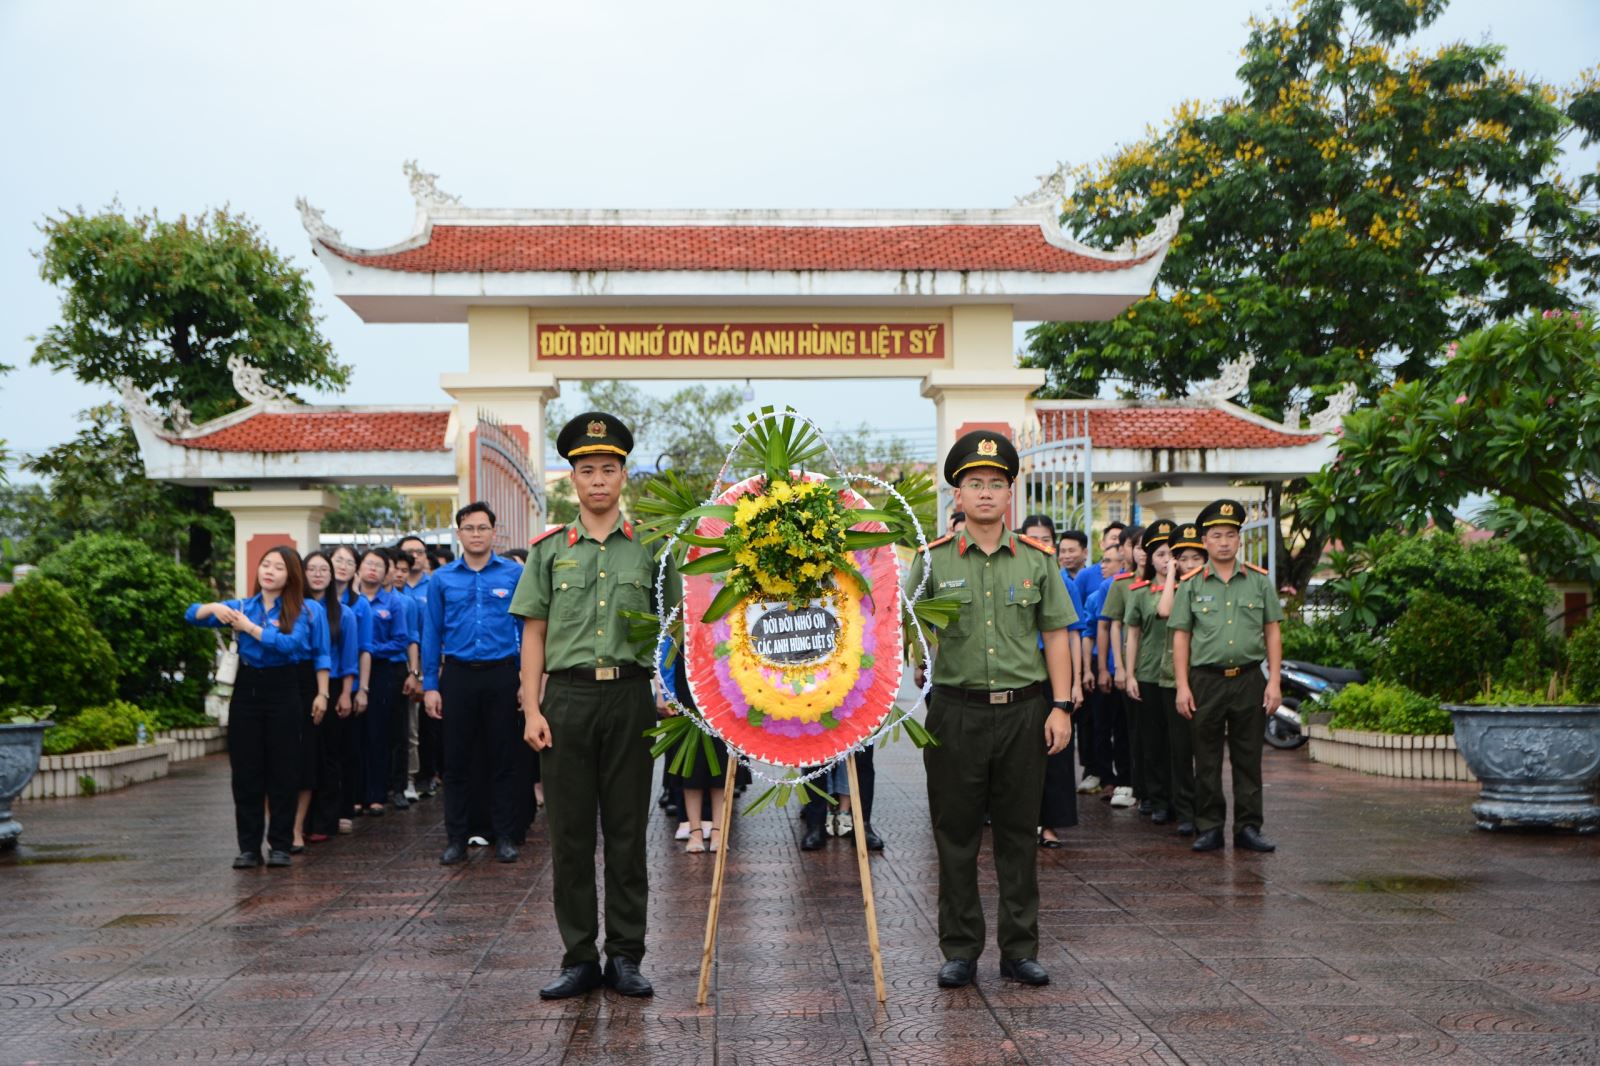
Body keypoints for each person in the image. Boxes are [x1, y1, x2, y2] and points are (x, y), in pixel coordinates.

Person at [510, 411, 681, 1001]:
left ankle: (626, 956)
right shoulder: (550, 550)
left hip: (632, 698)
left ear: (623, 476)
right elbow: (533, 633)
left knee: (630, 835)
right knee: (572, 837)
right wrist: (532, 709)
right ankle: (579, 957)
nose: (599, 480)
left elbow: (677, 626)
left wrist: (669, 690)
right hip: (568, 700)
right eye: (588, 470)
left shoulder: (654, 552)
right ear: (572, 479)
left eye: (609, 469)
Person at [908, 430, 1076, 990]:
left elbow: (1055, 634)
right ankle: (959, 949)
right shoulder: (931, 563)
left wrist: (1061, 706)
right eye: (974, 484)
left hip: (1024, 711)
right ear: (957, 496)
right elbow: (910, 628)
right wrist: (915, 656)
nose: (985, 493)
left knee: (1018, 834)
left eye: (996, 484)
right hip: (955, 713)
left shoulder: (1037, 560)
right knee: (954, 834)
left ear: (1010, 496)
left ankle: (1019, 949)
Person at [186, 547, 318, 868]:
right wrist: (215, 607)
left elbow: (290, 644)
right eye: (265, 565)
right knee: (246, 772)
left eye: (278, 567)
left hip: (284, 688)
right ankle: (248, 847)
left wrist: (250, 628)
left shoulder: (300, 610)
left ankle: (281, 845)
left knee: (283, 770)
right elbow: (192, 615)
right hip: (247, 690)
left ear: (291, 576)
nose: (269, 571)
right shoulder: (243, 605)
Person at [1171, 499, 1284, 854]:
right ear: (1204, 541)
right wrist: (1182, 686)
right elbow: (1181, 636)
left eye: (1231, 535)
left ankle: (1249, 827)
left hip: (1249, 678)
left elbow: (1272, 632)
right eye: (1216, 535)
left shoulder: (1259, 581)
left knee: (1248, 757)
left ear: (1239, 540)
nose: (1224, 542)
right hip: (1206, 680)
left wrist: (1275, 681)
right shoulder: (1190, 584)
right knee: (1205, 758)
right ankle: (1210, 827)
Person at [422, 501, 527, 866]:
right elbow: (432, 632)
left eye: (483, 528)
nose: (477, 534)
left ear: (494, 532)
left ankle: (505, 836)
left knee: (504, 758)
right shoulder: (442, 579)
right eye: (469, 528)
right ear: (459, 534)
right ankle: (456, 837)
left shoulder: (512, 576)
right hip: (459, 676)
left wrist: (525, 681)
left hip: (501, 674)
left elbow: (524, 630)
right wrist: (430, 685)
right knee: (456, 760)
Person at [1018, 514, 1084, 849]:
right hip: (1021, 672)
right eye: (1032, 537)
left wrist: (1074, 683)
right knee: (1022, 753)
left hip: (1055, 673)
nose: (1039, 544)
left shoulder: (1063, 581)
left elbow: (1072, 634)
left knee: (1056, 750)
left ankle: (1052, 825)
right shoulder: (1014, 572)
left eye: (1045, 538)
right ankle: (1024, 820)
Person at [1120, 520, 1177, 829]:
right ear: (1151, 558)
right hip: (1149, 674)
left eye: (1172, 554)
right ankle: (1157, 799)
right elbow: (1134, 635)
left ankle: (1180, 798)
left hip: (1182, 678)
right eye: (1160, 554)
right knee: (1152, 741)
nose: (1167, 560)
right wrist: (1129, 675)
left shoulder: (1189, 588)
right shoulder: (1140, 593)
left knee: (1179, 743)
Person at [303, 551, 358, 844]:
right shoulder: (296, 609)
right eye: (311, 569)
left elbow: (350, 657)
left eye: (323, 569)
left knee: (330, 756)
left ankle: (326, 820)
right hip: (302, 687)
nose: (318, 574)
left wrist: (347, 693)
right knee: (304, 755)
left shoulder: (344, 613)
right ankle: (302, 820)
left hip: (334, 686)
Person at [354, 549, 412, 817]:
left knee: (379, 733)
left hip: (384, 672)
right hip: (352, 671)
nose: (373, 569)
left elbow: (401, 639)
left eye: (379, 565)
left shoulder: (393, 603)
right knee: (354, 736)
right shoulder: (349, 602)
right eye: (368, 564)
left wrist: (368, 649)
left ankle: (377, 794)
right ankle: (355, 794)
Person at [1100, 526, 1144, 811]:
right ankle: (1127, 781)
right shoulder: (1120, 584)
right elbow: (1111, 625)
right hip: (1129, 668)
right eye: (1134, 545)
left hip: (1157, 669)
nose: (1140, 552)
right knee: (1126, 729)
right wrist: (1117, 667)